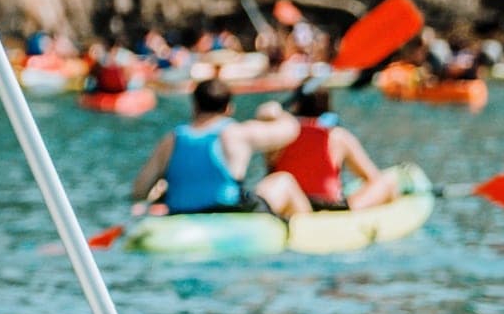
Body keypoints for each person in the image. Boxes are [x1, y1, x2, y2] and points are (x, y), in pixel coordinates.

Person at [131, 76, 303, 217]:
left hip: (180, 213)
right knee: (283, 181)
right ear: (229, 108)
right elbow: (291, 131)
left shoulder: (172, 139)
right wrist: (277, 112)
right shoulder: (236, 133)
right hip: (227, 214)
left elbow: (139, 190)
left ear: (195, 106)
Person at [264, 82, 395, 213]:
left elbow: (267, 113)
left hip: (295, 204)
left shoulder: (281, 135)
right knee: (386, 181)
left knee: (281, 181)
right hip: (331, 208)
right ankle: (353, 213)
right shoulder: (337, 136)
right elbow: (372, 177)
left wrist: (281, 111)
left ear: (296, 104)